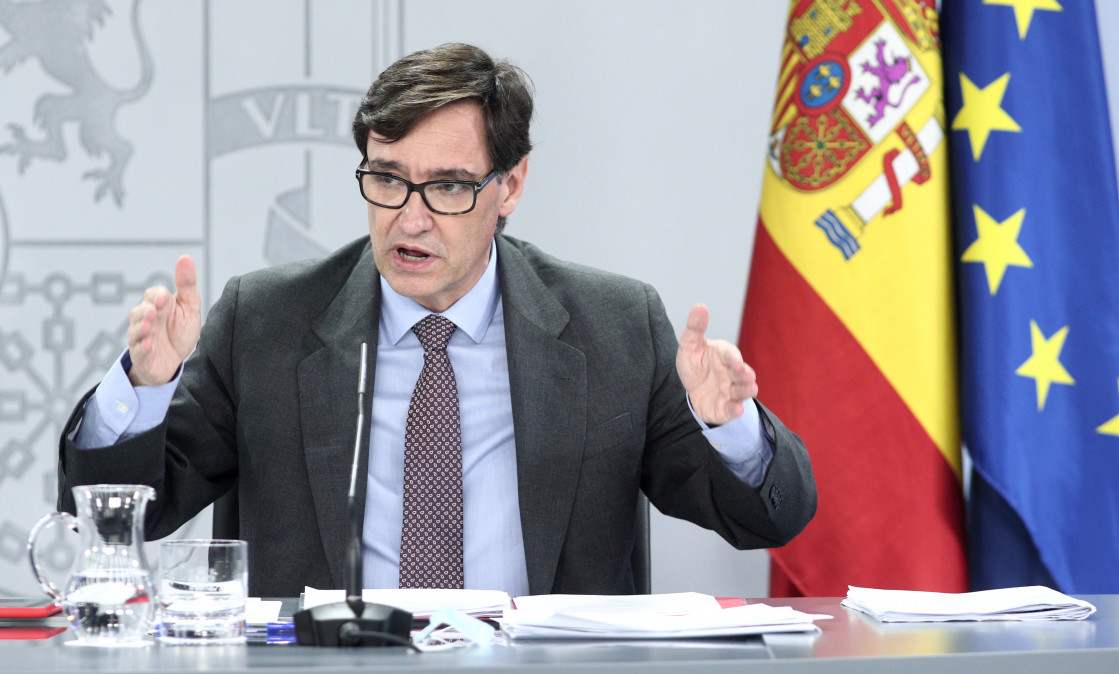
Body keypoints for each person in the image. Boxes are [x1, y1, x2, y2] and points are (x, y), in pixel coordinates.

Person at [58, 43, 816, 598]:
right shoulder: (268, 322)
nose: (409, 219)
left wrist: (731, 430)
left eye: (448, 187)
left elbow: (765, 519)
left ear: (509, 185)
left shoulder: (613, 326)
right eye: (386, 179)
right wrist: (145, 389)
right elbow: (125, 518)